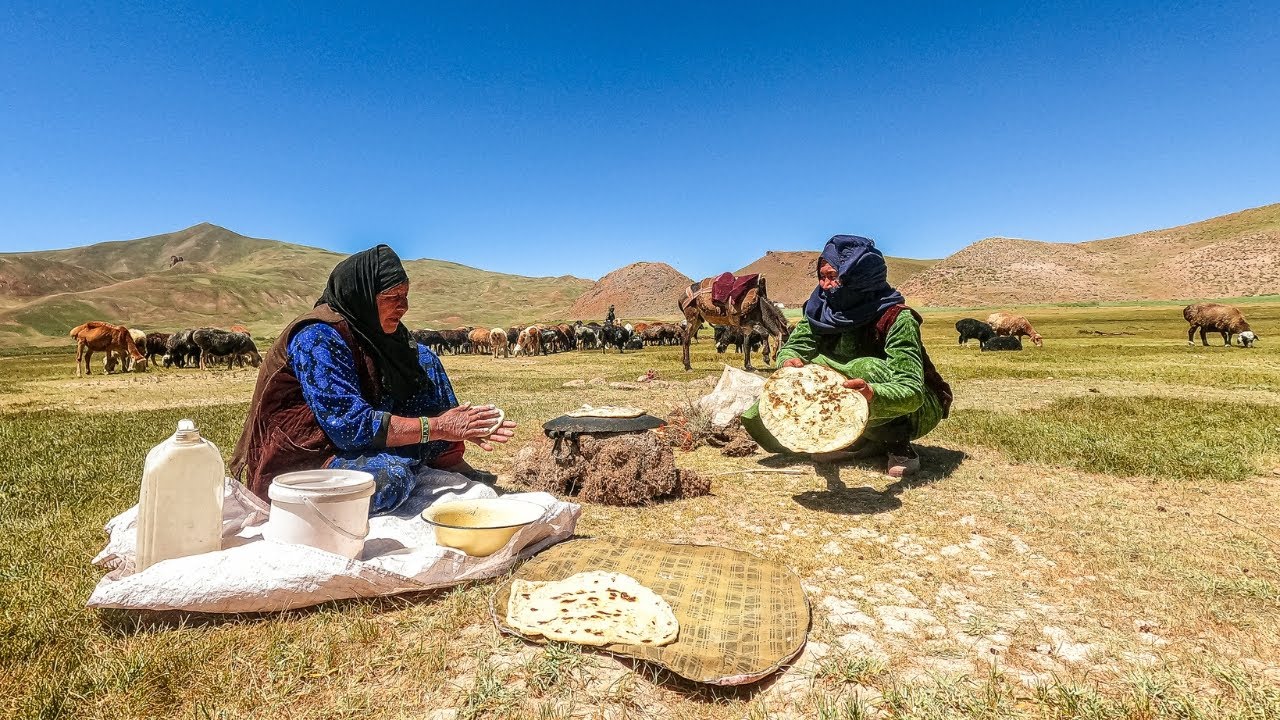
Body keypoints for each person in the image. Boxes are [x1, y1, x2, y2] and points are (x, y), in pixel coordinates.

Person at [231, 244, 516, 513]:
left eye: (405, 296)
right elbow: (350, 427)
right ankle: (412, 459)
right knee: (389, 479)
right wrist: (440, 427)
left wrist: (460, 427)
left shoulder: (380, 334)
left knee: (422, 360)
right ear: (362, 295)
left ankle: (448, 461)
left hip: (350, 444)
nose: (403, 307)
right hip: (305, 459)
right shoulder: (317, 336)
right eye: (392, 298)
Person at [740, 235, 952, 477]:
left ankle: (897, 443)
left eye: (834, 277)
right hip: (846, 392)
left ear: (860, 278)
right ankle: (855, 441)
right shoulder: (822, 309)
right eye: (822, 277)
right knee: (782, 403)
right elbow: (796, 346)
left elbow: (911, 390)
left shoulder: (896, 318)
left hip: (915, 407)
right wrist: (788, 362)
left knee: (865, 368)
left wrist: (872, 394)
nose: (825, 285)